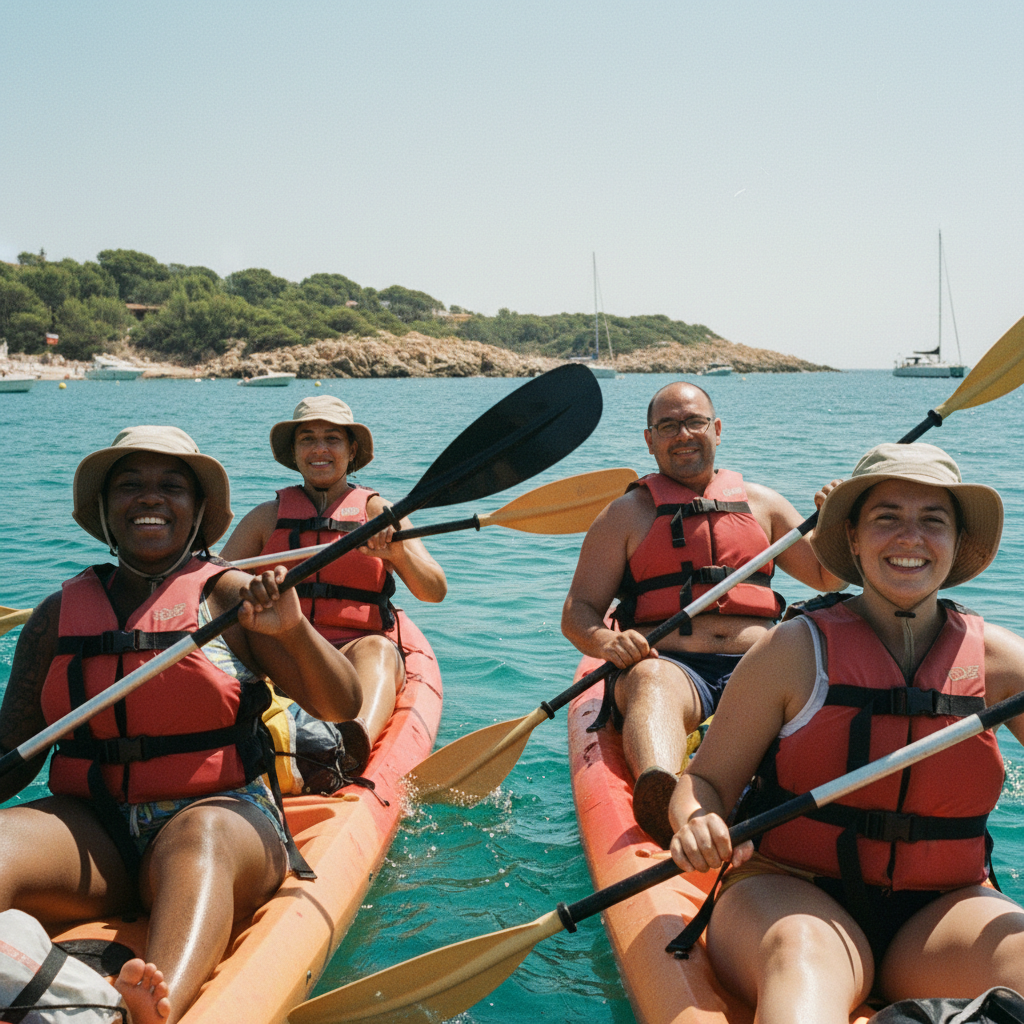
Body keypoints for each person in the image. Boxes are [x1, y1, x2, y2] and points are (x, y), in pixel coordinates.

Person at [0, 426, 362, 1024]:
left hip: (223, 815)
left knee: (200, 838)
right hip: (99, 831)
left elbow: (340, 703)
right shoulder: (56, 615)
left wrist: (295, 631)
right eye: (129, 486)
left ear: (196, 511)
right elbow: (11, 755)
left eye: (171, 486)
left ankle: (151, 1008)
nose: (150, 497)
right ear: (105, 509)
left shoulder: (231, 598)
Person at [667, 442, 1024, 1022]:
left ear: (957, 542)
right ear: (853, 538)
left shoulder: (1002, 662)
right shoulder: (791, 651)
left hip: (941, 918)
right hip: (791, 893)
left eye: (933, 521)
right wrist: (696, 820)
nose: (910, 537)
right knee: (802, 958)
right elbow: (705, 781)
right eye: (887, 517)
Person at [561, 381, 846, 847]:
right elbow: (578, 610)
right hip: (674, 668)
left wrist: (836, 522)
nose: (683, 434)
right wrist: (606, 641)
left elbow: (827, 577)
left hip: (760, 669)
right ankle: (666, 801)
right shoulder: (624, 516)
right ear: (649, 440)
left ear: (717, 429)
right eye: (668, 426)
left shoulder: (764, 504)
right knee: (651, 679)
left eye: (694, 422)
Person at [219, 395, 447, 769]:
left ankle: (350, 747)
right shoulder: (266, 518)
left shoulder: (379, 513)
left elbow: (434, 590)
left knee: (379, 649)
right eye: (307, 439)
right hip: (282, 655)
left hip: (353, 653)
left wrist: (398, 554)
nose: (319, 449)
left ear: (351, 450)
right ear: (294, 452)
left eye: (332, 439)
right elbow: (214, 587)